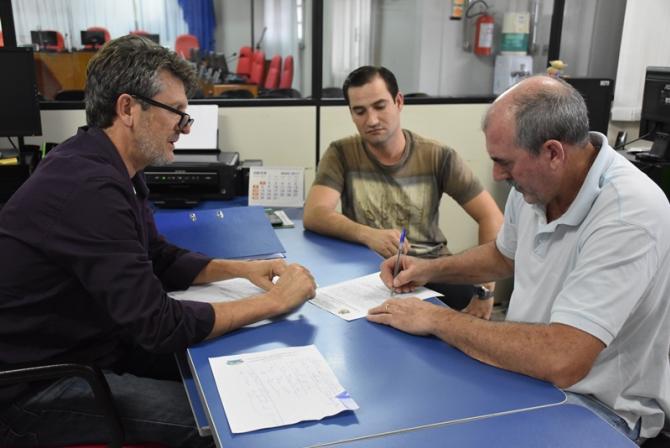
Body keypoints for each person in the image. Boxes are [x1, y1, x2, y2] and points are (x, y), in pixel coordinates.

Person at [0, 35, 316, 448]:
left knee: (237, 371)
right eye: (177, 113)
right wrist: (274, 302)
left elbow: (159, 258)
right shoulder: (87, 187)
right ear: (128, 109)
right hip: (35, 386)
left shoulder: (112, 167)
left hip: (94, 344)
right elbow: (158, 326)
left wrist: (244, 270)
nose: (185, 128)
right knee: (222, 420)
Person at [368, 75, 670, 442]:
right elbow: (503, 255)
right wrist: (428, 269)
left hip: (596, 406)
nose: (498, 175)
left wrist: (436, 318)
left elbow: (563, 359)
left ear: (553, 153)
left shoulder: (629, 213)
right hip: (526, 375)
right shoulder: (536, 187)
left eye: (504, 163)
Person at [304, 66, 503, 315]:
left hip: (431, 270)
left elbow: (491, 216)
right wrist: (368, 235)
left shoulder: (437, 156)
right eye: (360, 111)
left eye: (380, 106)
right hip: (367, 275)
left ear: (398, 102)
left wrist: (485, 290)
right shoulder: (341, 153)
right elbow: (315, 213)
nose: (371, 120)